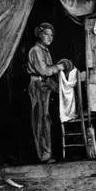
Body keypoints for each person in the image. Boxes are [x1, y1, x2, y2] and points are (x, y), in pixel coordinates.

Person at [26, 22, 65, 163]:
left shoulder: (45, 50)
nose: (50, 38)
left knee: (45, 118)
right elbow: (44, 70)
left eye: (51, 35)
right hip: (37, 85)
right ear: (39, 35)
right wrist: (59, 67)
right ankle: (43, 154)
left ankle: (46, 152)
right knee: (40, 119)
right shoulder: (36, 50)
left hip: (44, 85)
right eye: (46, 34)